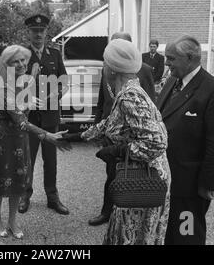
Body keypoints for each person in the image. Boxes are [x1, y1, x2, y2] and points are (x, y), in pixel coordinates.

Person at [65, 39, 171, 244]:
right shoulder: (128, 91)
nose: (103, 67)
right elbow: (110, 123)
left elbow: (157, 142)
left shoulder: (129, 96)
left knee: (131, 237)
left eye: (105, 63)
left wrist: (119, 150)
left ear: (112, 70)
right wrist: (76, 136)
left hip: (144, 179)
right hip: (140, 176)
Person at [0, 45, 71, 239]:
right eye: (16, 61)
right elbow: (21, 121)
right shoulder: (4, 87)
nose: (21, 64)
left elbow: (27, 112)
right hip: (3, 140)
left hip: (19, 140)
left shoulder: (26, 83)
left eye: (23, 60)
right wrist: (49, 136)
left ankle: (12, 220)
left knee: (18, 181)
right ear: (7, 64)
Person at [156, 35, 214, 245]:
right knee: (167, 234)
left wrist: (207, 184)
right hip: (164, 180)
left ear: (190, 58)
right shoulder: (172, 81)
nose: (166, 63)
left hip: (189, 187)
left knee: (186, 235)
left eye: (171, 58)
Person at [89, 32, 155, 226]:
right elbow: (102, 99)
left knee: (131, 175)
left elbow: (150, 104)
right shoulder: (106, 68)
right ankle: (107, 212)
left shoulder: (144, 70)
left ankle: (130, 210)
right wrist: (96, 125)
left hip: (131, 137)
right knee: (112, 174)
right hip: (110, 131)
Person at [18, 13, 70, 215]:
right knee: (27, 159)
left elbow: (64, 82)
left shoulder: (54, 54)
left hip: (49, 117)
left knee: (51, 160)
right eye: (34, 31)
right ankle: (24, 195)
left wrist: (56, 93)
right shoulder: (21, 56)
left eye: (41, 31)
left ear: (47, 32)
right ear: (28, 32)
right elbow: (13, 85)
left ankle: (52, 197)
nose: (38, 35)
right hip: (29, 117)